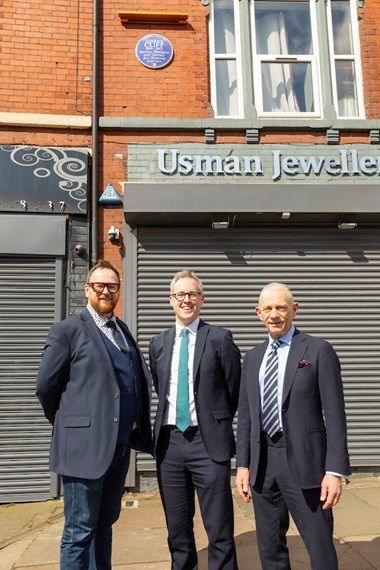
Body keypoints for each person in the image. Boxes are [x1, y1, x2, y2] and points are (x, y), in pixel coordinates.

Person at [36, 260, 153, 570]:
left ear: (118, 291)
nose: (105, 291)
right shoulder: (67, 331)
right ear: (87, 289)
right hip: (83, 451)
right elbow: (46, 388)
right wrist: (72, 425)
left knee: (104, 525)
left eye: (112, 286)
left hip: (118, 449)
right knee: (79, 531)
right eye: (99, 285)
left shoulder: (121, 330)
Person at [236, 282, 350, 570]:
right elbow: (247, 415)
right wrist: (243, 465)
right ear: (258, 313)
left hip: (306, 463)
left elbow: (335, 415)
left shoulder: (318, 350)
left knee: (320, 546)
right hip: (263, 465)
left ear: (294, 309)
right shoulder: (252, 358)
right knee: (270, 549)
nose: (275, 314)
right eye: (268, 308)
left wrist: (334, 471)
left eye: (281, 307)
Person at [149, 269, 241, 570]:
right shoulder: (158, 343)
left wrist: (215, 422)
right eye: (180, 295)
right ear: (170, 301)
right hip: (169, 444)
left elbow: (233, 390)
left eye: (192, 294)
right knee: (177, 531)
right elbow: (160, 389)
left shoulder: (219, 338)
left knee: (219, 529)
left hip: (208, 443)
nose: (186, 300)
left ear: (201, 299)